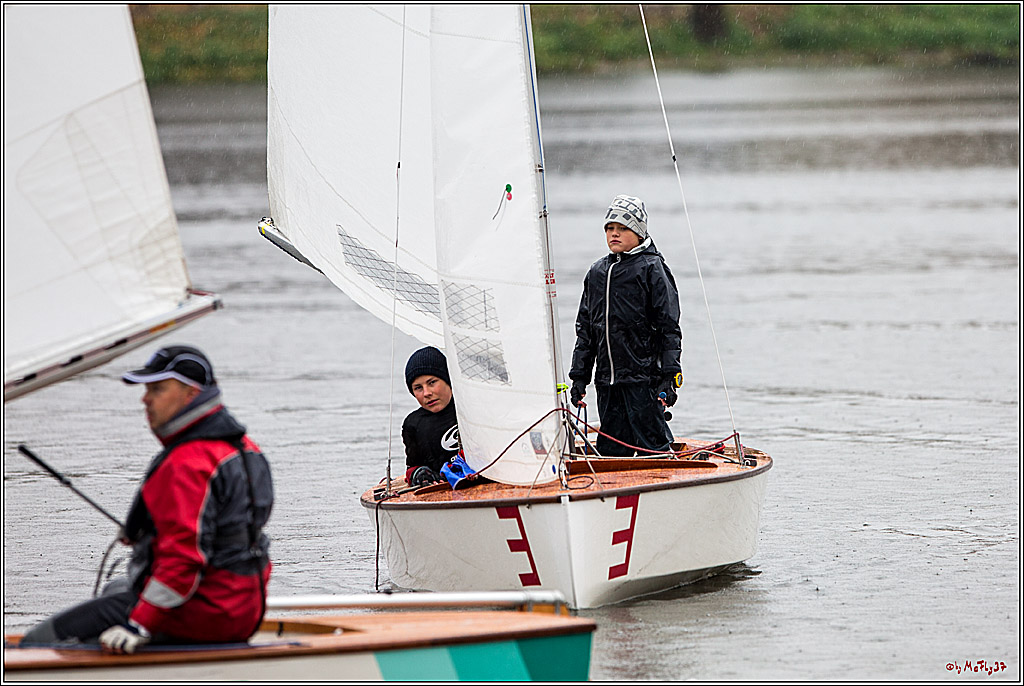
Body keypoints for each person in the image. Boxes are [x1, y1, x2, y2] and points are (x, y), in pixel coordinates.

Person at [21, 345, 273, 653]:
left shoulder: (188, 462)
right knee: (117, 588)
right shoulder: (246, 448)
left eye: (157, 389)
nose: (145, 399)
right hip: (244, 609)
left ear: (191, 394)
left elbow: (184, 561)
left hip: (201, 613)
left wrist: (139, 624)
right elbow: (230, 533)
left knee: (40, 639)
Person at [568, 194, 683, 457]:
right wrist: (579, 377)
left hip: (643, 379)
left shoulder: (653, 268)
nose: (614, 234)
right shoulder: (596, 272)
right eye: (610, 228)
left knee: (652, 444)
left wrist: (669, 377)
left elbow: (669, 329)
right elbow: (585, 332)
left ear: (639, 232)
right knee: (611, 448)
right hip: (607, 382)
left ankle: (662, 471)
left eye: (623, 228)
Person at [401, 346, 460, 487]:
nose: (426, 393)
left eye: (432, 383)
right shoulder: (413, 424)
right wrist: (418, 473)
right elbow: (411, 468)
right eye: (418, 388)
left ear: (448, 380)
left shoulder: (471, 408)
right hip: (442, 488)